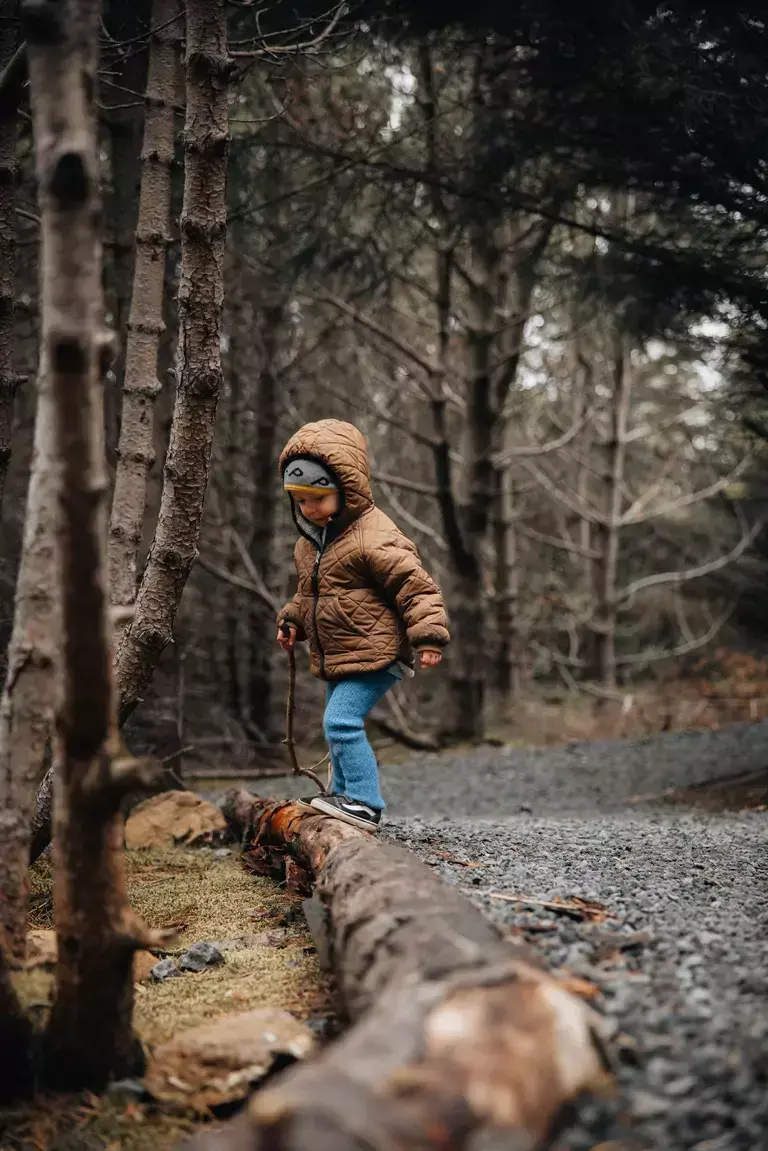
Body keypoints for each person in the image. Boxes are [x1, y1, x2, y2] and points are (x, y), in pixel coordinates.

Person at [276, 419, 449, 831]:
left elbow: (415, 586)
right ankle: (343, 797)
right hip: (343, 652)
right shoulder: (311, 544)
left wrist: (427, 635)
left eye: (316, 498)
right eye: (299, 501)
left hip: (379, 649)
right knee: (337, 725)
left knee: (340, 722)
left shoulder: (374, 536)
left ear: (346, 488)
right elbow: (312, 595)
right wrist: (292, 619)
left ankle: (365, 803)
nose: (308, 509)